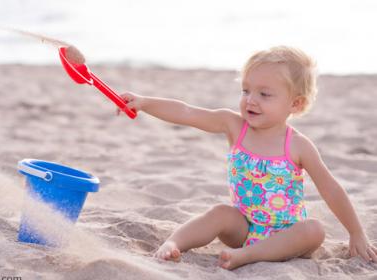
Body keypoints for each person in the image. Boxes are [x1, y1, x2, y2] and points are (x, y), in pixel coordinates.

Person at [117, 46, 377, 270]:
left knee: (315, 230)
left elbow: (329, 188)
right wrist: (145, 102)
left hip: (287, 235)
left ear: (295, 104)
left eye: (264, 94)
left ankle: (247, 257)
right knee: (220, 213)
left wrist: (356, 232)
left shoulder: (297, 145)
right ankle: (174, 242)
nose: (251, 100)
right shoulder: (234, 126)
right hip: (244, 228)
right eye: (246, 90)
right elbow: (187, 112)